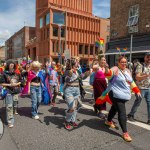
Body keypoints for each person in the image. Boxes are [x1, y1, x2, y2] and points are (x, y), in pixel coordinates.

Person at [98, 56, 141, 142]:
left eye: (125, 62)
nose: (124, 63)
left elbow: (131, 82)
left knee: (114, 108)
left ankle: (108, 121)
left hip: (124, 95)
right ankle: (125, 132)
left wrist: (137, 91)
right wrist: (106, 68)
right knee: (122, 113)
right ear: (118, 62)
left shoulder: (128, 71)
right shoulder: (115, 68)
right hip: (115, 94)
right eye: (122, 62)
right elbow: (108, 74)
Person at [128, 52, 150, 124]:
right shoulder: (140, 66)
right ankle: (131, 115)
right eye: (148, 57)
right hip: (141, 88)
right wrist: (146, 75)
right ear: (145, 58)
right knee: (138, 102)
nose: (149, 59)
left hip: (148, 88)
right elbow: (137, 77)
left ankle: (149, 119)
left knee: (149, 103)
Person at [1, 60, 22, 128]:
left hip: (16, 91)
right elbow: (1, 83)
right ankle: (10, 121)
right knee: (9, 106)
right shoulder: (4, 73)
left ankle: (14, 111)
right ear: (8, 66)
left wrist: (16, 84)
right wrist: (10, 84)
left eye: (13, 65)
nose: (12, 66)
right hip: (8, 91)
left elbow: (21, 81)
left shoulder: (17, 73)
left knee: (14, 104)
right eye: (10, 65)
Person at [63, 59, 82, 130]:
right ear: (72, 65)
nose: (78, 65)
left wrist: (88, 73)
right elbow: (66, 80)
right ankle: (67, 121)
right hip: (69, 90)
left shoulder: (78, 71)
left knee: (76, 107)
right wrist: (70, 73)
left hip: (77, 90)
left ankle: (72, 121)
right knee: (72, 107)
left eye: (78, 64)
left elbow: (82, 77)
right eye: (76, 64)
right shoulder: (68, 71)